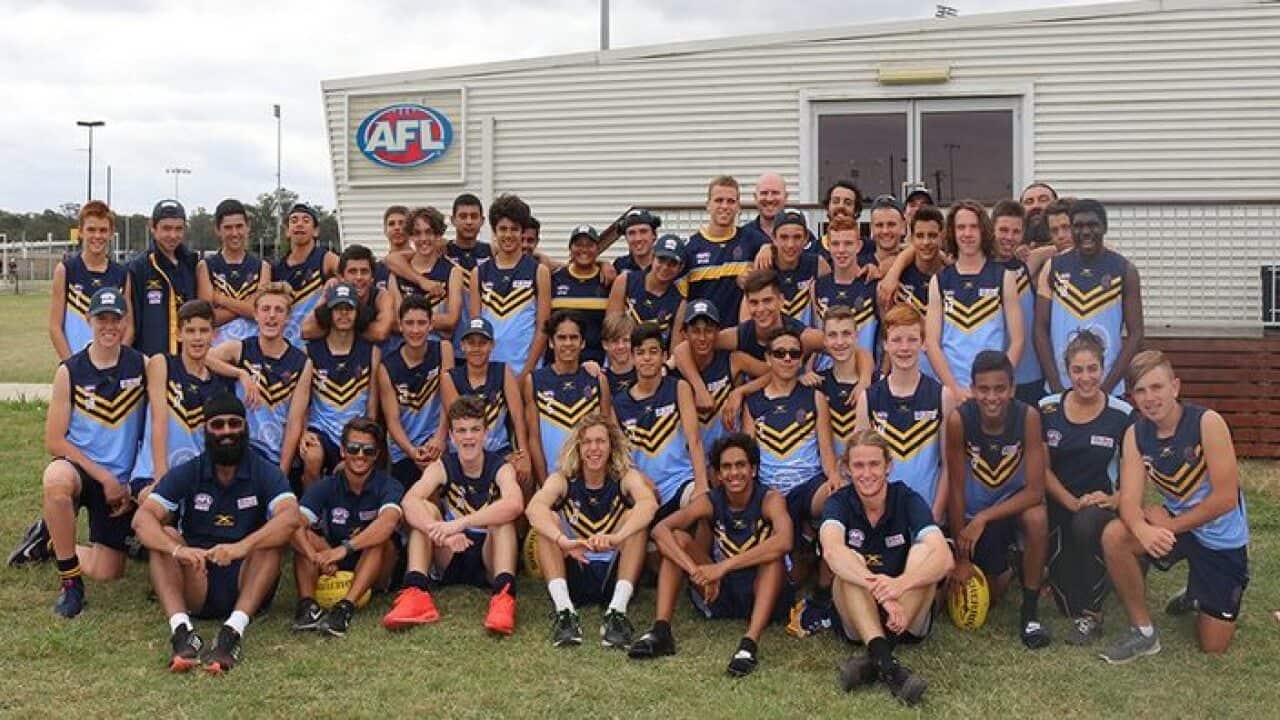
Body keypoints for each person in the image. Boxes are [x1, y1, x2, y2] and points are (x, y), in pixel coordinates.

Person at [131, 392, 301, 674]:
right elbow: (142, 519)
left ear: (245, 427)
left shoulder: (263, 470)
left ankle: (232, 633)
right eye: (218, 425)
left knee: (271, 540)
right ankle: (182, 632)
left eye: (234, 424)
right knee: (166, 536)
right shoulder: (190, 470)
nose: (227, 432)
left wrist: (242, 547)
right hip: (198, 574)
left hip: (246, 577)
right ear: (205, 429)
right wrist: (180, 551)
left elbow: (291, 517)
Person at [1099, 351, 1249, 662]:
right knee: (1116, 536)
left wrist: (1166, 526)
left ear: (1175, 387)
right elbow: (1128, 500)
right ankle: (1143, 632)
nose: (1150, 398)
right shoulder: (1136, 433)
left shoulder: (1207, 423)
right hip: (1179, 526)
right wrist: (1142, 528)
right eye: (1140, 391)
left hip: (1221, 540)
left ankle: (1198, 591)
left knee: (1213, 647)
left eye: (1157, 387)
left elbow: (1225, 499)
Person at [630, 433, 794, 676]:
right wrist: (695, 571)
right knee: (678, 540)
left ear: (753, 469)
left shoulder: (770, 499)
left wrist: (722, 567)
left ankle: (748, 645)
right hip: (720, 590)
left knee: (773, 557)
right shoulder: (712, 500)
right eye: (726, 467)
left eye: (740, 465)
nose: (734, 473)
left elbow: (785, 540)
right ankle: (661, 630)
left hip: (763, 591)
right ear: (717, 475)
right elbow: (660, 529)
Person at [821, 430, 953, 707]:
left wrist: (900, 584)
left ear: (888, 466)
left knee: (923, 553)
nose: (866, 473)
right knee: (850, 563)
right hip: (860, 614)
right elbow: (832, 552)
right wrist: (880, 590)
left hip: (906, 614)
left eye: (874, 464)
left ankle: (875, 661)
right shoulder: (839, 502)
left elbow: (944, 558)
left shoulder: (907, 498)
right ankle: (890, 668)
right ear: (846, 469)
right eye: (858, 465)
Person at [39, 287, 147, 617]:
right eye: (102, 318)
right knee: (56, 480)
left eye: (116, 319)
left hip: (122, 482)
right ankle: (71, 584)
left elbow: (152, 431)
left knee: (108, 571)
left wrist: (128, 485)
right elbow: (55, 441)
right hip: (83, 470)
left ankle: (54, 542)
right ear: (89, 320)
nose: (109, 326)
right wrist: (103, 477)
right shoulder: (70, 370)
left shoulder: (141, 365)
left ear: (126, 322)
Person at [382, 397, 524, 634]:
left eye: (475, 429)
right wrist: (442, 534)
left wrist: (461, 523)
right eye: (461, 430)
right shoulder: (442, 465)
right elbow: (409, 502)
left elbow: (515, 503)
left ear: (485, 433)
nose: (468, 437)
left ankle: (503, 599)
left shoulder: (500, 466)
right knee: (425, 509)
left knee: (504, 519)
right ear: (451, 435)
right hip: (450, 551)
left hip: (488, 554)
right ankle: (416, 593)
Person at [945, 350, 1050, 649]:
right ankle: (1009, 566)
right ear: (973, 389)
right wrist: (961, 557)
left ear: (1013, 388)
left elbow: (1035, 490)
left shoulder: (1027, 416)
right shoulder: (959, 420)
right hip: (974, 514)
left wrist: (985, 518)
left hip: (1008, 508)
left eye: (1000, 388)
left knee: (1037, 517)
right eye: (984, 389)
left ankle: (1030, 612)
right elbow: (955, 488)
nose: (992, 397)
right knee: (990, 596)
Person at [525, 414, 658, 648]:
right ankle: (565, 613)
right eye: (587, 442)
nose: (594, 448)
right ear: (578, 447)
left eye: (600, 441)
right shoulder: (563, 479)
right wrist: (563, 541)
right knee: (547, 522)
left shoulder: (626, 476)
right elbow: (533, 508)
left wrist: (618, 536)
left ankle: (617, 613)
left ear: (611, 445)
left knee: (635, 520)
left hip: (614, 571)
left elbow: (649, 504)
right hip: (577, 565)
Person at [1038, 331, 1134, 645]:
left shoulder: (1122, 414)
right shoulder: (1047, 408)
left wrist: (1115, 498)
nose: (1085, 377)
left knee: (1085, 523)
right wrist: (1068, 500)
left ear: (1103, 368)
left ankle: (1092, 614)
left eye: (1092, 368)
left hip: (1098, 506)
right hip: (1058, 501)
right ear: (1067, 370)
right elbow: (1041, 467)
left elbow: (1138, 473)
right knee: (1065, 604)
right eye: (1077, 370)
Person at [292, 418, 403, 638]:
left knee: (380, 539)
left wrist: (343, 549)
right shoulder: (327, 485)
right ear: (343, 451)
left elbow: (388, 523)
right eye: (353, 448)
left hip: (374, 566)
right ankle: (307, 606)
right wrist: (315, 555)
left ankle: (344, 609)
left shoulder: (389, 484)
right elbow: (293, 523)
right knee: (299, 533)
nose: (360, 455)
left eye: (368, 450)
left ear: (377, 454)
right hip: (335, 558)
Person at [1035, 198, 1144, 397]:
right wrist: (1056, 386)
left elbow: (1136, 335)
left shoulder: (1125, 270)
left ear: (1104, 227)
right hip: (1061, 387)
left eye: (1092, 225)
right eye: (1077, 226)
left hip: (1108, 389)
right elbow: (1040, 329)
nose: (1085, 231)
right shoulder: (1053, 267)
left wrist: (1107, 388)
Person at [741, 327, 840, 543]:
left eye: (794, 354)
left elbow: (826, 451)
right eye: (779, 353)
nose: (787, 358)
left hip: (810, 486)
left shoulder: (815, 397)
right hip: (769, 489)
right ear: (768, 358)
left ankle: (826, 567)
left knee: (840, 497)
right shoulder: (753, 403)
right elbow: (749, 457)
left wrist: (834, 477)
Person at [856, 305, 955, 522]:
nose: (904, 348)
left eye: (912, 339)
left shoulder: (941, 396)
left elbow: (949, 466)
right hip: (881, 518)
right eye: (896, 340)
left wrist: (935, 516)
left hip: (927, 513)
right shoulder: (869, 398)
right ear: (885, 344)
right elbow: (860, 465)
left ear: (923, 343)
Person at [204, 283, 310, 476]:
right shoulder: (240, 349)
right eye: (265, 309)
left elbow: (295, 421)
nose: (271, 315)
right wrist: (240, 374)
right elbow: (204, 358)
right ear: (255, 314)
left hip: (278, 454)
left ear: (287, 317)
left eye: (279, 310)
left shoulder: (301, 362)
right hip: (244, 450)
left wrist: (282, 471)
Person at [130, 300, 234, 493]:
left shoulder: (220, 385)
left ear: (214, 334)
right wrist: (162, 479)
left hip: (198, 479)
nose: (197, 338)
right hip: (153, 473)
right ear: (178, 334)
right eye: (190, 331)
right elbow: (158, 422)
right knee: (152, 515)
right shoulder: (162, 365)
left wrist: (241, 374)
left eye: (203, 331)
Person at [925, 201, 1023, 400]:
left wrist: (1000, 383)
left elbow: (1018, 340)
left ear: (984, 231)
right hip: (953, 390)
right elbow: (932, 342)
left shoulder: (1003, 277)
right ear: (952, 232)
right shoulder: (940, 280)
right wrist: (952, 388)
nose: (967, 234)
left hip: (993, 393)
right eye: (961, 227)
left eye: (973, 226)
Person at [612, 323, 709, 523]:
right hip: (643, 490)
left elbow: (695, 440)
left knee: (704, 509)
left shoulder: (679, 388)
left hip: (680, 482)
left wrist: (701, 486)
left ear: (664, 356)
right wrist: (639, 479)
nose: (647, 358)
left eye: (653, 351)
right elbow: (620, 457)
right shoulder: (618, 403)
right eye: (640, 353)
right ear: (632, 358)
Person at [439, 317, 532, 493]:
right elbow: (459, 421)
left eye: (482, 343)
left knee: (524, 478)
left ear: (492, 345)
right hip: (463, 451)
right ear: (462, 346)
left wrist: (523, 454)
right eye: (471, 343)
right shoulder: (449, 378)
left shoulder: (503, 371)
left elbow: (518, 419)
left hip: (499, 450)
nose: (476, 348)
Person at [300, 283, 381, 482]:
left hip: (356, 429)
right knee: (312, 457)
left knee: (351, 470)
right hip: (321, 429)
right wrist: (302, 432)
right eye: (337, 308)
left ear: (358, 312)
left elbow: (372, 403)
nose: (343, 314)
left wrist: (369, 435)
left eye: (349, 308)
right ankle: (311, 509)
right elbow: (302, 401)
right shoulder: (310, 351)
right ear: (329, 313)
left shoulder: (371, 351)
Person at [524, 311, 612, 484]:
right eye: (561, 338)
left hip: (590, 482)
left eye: (574, 337)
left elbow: (607, 435)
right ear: (551, 342)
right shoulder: (534, 381)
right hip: (553, 479)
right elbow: (534, 439)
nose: (568, 343)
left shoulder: (598, 379)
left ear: (583, 342)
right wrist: (544, 483)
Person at [378, 295, 454, 490]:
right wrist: (411, 451)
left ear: (431, 325)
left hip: (438, 441)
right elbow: (392, 420)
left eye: (421, 323)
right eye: (409, 323)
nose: (415, 329)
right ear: (400, 326)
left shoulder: (443, 350)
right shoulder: (387, 367)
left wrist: (439, 438)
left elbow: (450, 402)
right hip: (404, 449)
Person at [472, 194, 551, 379]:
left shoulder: (539, 271)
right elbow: (477, 329)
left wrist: (527, 373)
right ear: (494, 231)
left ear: (522, 232)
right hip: (488, 371)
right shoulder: (480, 273)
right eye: (503, 229)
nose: (508, 235)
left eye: (514, 229)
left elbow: (543, 329)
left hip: (526, 369)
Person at [49, 200, 133, 359]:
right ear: (81, 232)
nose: (97, 236)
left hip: (111, 368)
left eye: (103, 230)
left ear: (110, 233)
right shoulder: (66, 270)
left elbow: (128, 327)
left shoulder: (122, 273)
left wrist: (118, 363)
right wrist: (72, 366)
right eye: (91, 230)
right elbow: (55, 327)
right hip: (77, 364)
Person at [990, 200, 1044, 405]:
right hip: (991, 380)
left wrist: (1037, 252)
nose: (1009, 237)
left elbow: (1062, 247)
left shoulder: (1027, 265)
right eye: (1003, 230)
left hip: (1029, 376)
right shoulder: (978, 267)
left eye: (1016, 231)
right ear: (991, 229)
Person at [680, 175, 760, 313]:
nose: (724, 206)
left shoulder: (752, 240)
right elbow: (681, 301)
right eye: (719, 200)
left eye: (731, 201)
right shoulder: (690, 248)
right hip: (702, 332)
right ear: (708, 205)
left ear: (738, 207)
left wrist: (767, 248)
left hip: (738, 332)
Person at [383, 206, 465, 340]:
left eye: (429, 232)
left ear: (438, 235)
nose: (423, 238)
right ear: (410, 236)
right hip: (405, 349)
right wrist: (436, 322)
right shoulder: (397, 274)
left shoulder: (453, 271)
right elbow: (396, 320)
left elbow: (451, 320)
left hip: (438, 350)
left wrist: (409, 321)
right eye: (417, 233)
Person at [130, 199, 199, 356]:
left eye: (178, 229)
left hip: (187, 362)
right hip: (151, 362)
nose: (173, 235)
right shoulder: (138, 268)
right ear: (153, 228)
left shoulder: (192, 264)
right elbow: (131, 325)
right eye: (166, 229)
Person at [197, 199, 269, 345]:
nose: (235, 233)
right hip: (216, 351)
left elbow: (261, 313)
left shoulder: (263, 267)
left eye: (239, 226)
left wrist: (220, 299)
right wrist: (247, 307)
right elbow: (207, 318)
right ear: (218, 230)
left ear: (248, 227)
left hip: (254, 348)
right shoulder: (205, 266)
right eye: (228, 228)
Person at [273, 202, 339, 347]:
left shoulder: (327, 259)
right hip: (285, 343)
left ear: (315, 231)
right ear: (287, 231)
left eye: (306, 220)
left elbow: (350, 279)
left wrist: (333, 283)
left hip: (316, 342)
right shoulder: (276, 268)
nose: (299, 224)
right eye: (294, 220)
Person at [814, 216, 880, 362]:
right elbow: (815, 334)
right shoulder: (818, 286)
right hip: (825, 375)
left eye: (848, 243)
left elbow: (886, 334)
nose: (841, 250)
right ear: (828, 246)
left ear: (858, 246)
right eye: (836, 244)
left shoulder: (874, 285)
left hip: (863, 373)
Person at [302, 245, 396, 345]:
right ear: (341, 277)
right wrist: (326, 294)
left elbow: (380, 333)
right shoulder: (333, 291)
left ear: (372, 277)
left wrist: (342, 326)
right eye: (352, 271)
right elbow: (307, 330)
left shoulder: (381, 296)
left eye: (364, 271)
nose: (359, 277)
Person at [606, 233, 686, 349]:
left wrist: (664, 367)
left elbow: (675, 350)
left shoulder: (679, 302)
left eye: (672, 263)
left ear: (681, 268)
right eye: (661, 260)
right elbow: (611, 332)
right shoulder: (625, 281)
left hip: (656, 362)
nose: (665, 267)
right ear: (653, 258)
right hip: (621, 355)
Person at [817, 307, 875, 461]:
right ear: (824, 340)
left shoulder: (876, 385)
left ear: (856, 336)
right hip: (829, 477)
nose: (840, 342)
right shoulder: (816, 385)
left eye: (846, 334)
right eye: (832, 335)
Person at [548, 225, 611, 365]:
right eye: (578, 244)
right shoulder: (555, 279)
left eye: (589, 245)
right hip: (557, 362)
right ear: (570, 249)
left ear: (598, 249)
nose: (584, 249)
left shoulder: (608, 280)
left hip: (596, 363)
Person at [767, 209, 829, 327]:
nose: (790, 244)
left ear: (806, 238)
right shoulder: (765, 266)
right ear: (774, 238)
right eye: (784, 237)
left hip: (810, 341)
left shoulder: (817, 264)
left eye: (797, 237)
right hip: (773, 341)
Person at [740, 172, 818, 256]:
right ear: (755, 197)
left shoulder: (803, 235)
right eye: (764, 193)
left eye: (775, 193)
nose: (769, 199)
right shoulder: (743, 236)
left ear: (786, 197)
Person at [445, 193, 492, 272]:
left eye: (474, 216)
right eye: (463, 216)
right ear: (453, 220)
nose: (469, 222)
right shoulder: (443, 251)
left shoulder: (492, 253)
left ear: (482, 221)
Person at [612, 207, 661, 274]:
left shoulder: (666, 264)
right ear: (626, 238)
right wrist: (602, 264)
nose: (638, 238)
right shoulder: (619, 265)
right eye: (631, 233)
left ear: (654, 235)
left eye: (643, 231)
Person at [600, 313, 638, 397]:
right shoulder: (600, 379)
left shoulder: (644, 374)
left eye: (626, 340)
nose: (621, 346)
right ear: (605, 344)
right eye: (615, 341)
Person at [373, 204, 410, 291]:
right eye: (391, 224)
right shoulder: (376, 269)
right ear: (385, 231)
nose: (397, 227)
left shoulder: (419, 263)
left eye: (402, 223)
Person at [868, 195, 906, 270]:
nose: (885, 231)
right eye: (879, 225)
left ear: (903, 226)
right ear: (871, 228)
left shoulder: (916, 265)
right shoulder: (858, 267)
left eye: (891, 224)